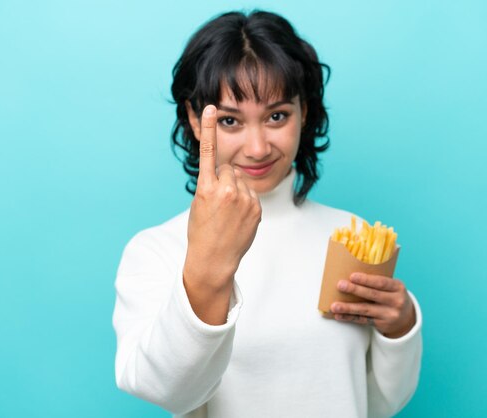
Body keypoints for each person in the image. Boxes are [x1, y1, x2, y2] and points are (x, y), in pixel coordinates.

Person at [113, 10, 422, 418]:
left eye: (277, 116)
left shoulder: (352, 236)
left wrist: (399, 329)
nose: (258, 148)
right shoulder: (157, 250)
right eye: (229, 121)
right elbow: (164, 390)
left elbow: (375, 403)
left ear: (305, 112)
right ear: (193, 118)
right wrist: (208, 268)